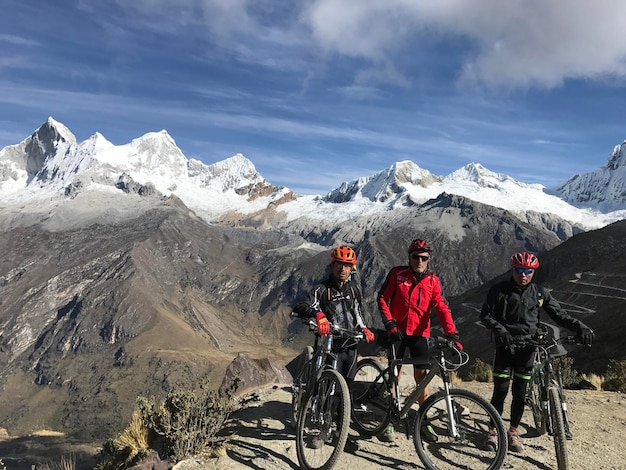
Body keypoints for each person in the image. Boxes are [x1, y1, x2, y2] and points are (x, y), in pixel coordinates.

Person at [480, 251, 594, 453]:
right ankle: (493, 430)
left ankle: (513, 431)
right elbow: (486, 316)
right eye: (518, 270)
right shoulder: (499, 290)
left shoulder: (540, 294)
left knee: (520, 393)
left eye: (527, 271)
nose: (522, 275)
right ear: (512, 270)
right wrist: (501, 330)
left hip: (529, 347)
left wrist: (580, 327)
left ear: (533, 272)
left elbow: (560, 315)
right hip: (505, 346)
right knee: (500, 391)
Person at [377, 238, 461, 443]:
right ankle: (389, 419)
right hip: (397, 332)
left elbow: (440, 306)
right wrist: (389, 324)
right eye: (416, 257)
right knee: (394, 376)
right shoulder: (397, 274)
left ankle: (424, 421)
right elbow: (382, 297)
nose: (420, 261)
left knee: (422, 379)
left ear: (429, 259)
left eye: (424, 258)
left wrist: (453, 333)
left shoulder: (432, 281)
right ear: (409, 257)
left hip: (419, 333)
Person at [292, 245, 375, 452]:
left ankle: (340, 431)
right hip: (331, 345)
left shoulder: (354, 290)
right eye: (339, 264)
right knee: (328, 388)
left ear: (352, 268)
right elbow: (302, 305)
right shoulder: (322, 289)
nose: (342, 269)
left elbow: (359, 314)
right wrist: (318, 315)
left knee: (345, 391)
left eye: (347, 265)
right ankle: (323, 429)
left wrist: (365, 329)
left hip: (350, 345)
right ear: (332, 265)